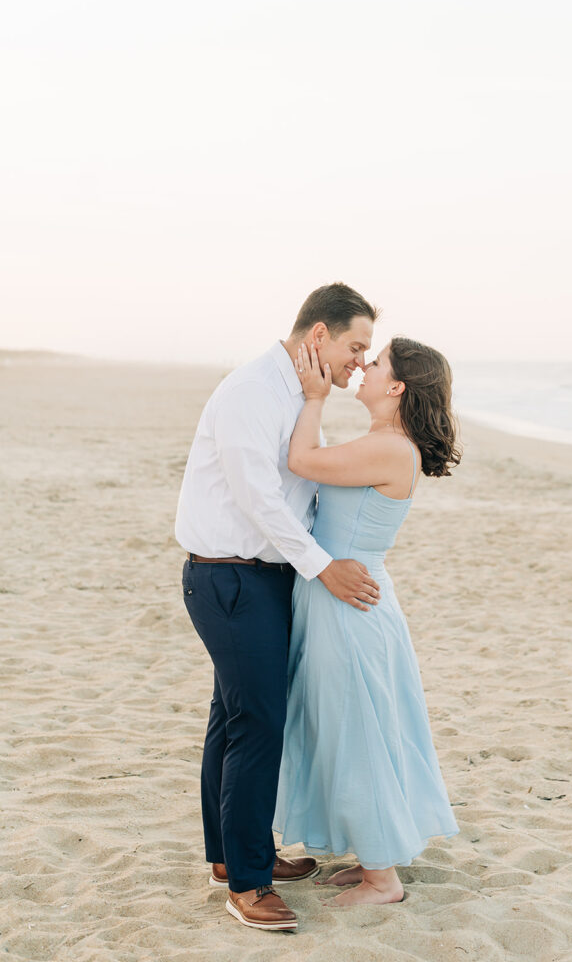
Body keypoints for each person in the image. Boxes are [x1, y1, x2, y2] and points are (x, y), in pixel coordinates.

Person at [175, 283, 382, 932]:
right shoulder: (252, 393)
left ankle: (232, 856)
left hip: (264, 580)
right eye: (356, 346)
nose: (359, 360)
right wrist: (325, 568)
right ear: (318, 336)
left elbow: (302, 490)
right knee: (257, 725)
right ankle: (248, 883)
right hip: (230, 579)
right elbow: (260, 498)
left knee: (232, 719)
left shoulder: (299, 395)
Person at [273, 335, 461, 906]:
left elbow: (300, 461)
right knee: (349, 727)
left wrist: (313, 396)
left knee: (357, 733)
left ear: (397, 386)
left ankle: (383, 879)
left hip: (349, 606)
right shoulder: (383, 440)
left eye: (376, 364)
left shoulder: (392, 447)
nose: (365, 367)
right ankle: (372, 856)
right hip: (339, 596)